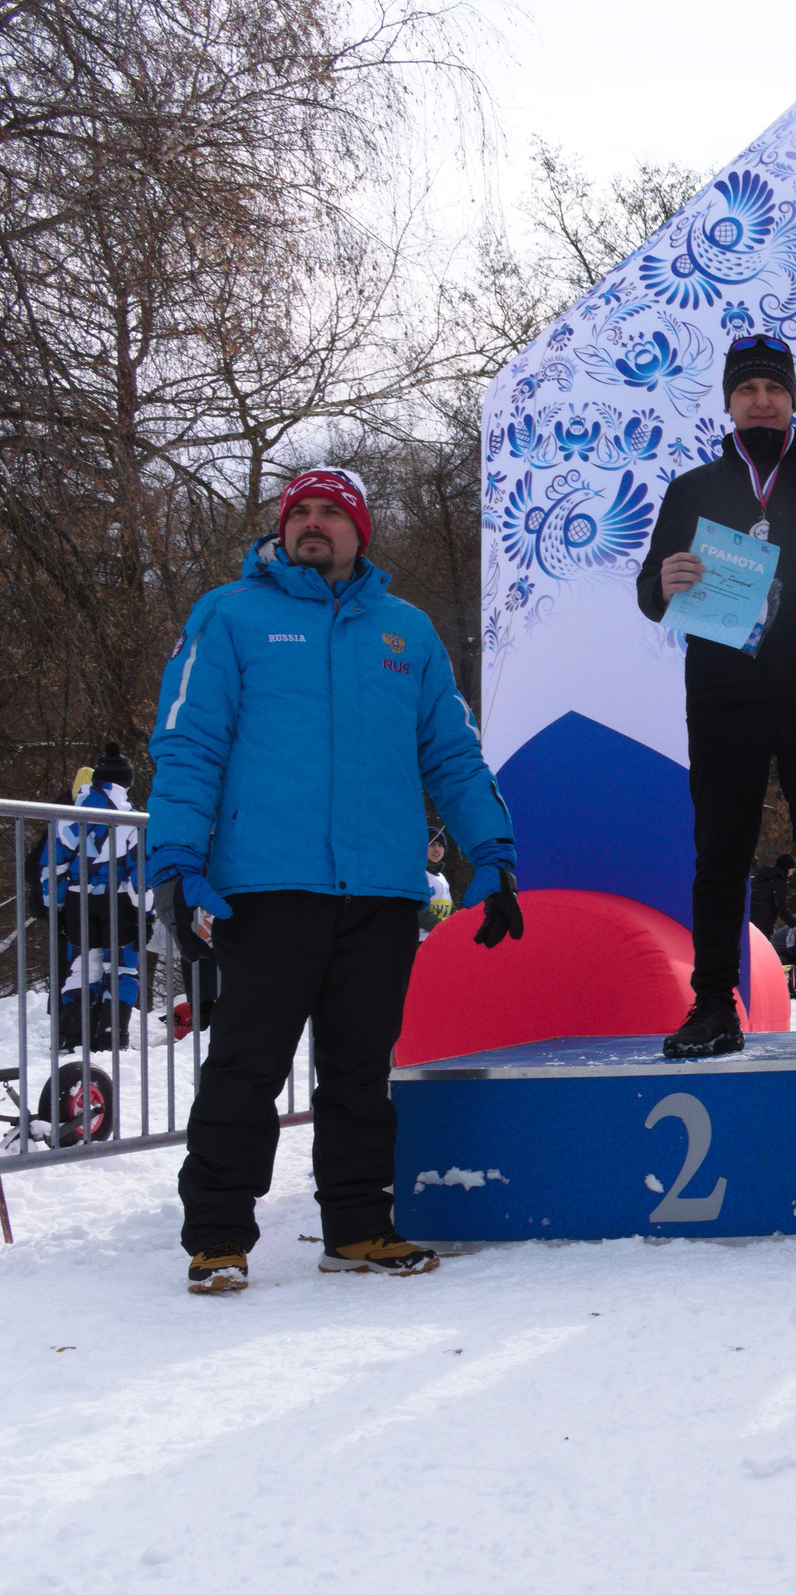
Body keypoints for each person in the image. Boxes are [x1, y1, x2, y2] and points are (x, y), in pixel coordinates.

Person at [149, 466, 524, 1294]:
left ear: (361, 531)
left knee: (359, 1070)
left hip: (382, 892)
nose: (312, 525)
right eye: (300, 513)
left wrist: (491, 856)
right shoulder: (230, 614)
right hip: (267, 886)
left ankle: (357, 1227)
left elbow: (452, 755)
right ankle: (217, 1237)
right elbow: (188, 745)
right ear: (282, 530)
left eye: (331, 513)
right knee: (247, 1065)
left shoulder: (407, 632)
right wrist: (176, 864)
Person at [636, 334, 796, 1059]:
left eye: (774, 389)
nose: (762, 400)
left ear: (793, 400)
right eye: (747, 389)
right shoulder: (692, 489)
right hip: (724, 694)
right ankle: (715, 1004)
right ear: (728, 401)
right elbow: (650, 594)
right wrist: (668, 581)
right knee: (720, 852)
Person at [39, 742, 145, 1051]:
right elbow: (140, 872)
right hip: (119, 900)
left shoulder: (69, 815)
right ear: (127, 783)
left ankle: (71, 1035)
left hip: (77, 899)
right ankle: (111, 1035)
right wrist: (146, 912)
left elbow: (52, 862)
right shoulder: (132, 819)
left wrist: (55, 903)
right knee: (122, 967)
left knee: (82, 965)